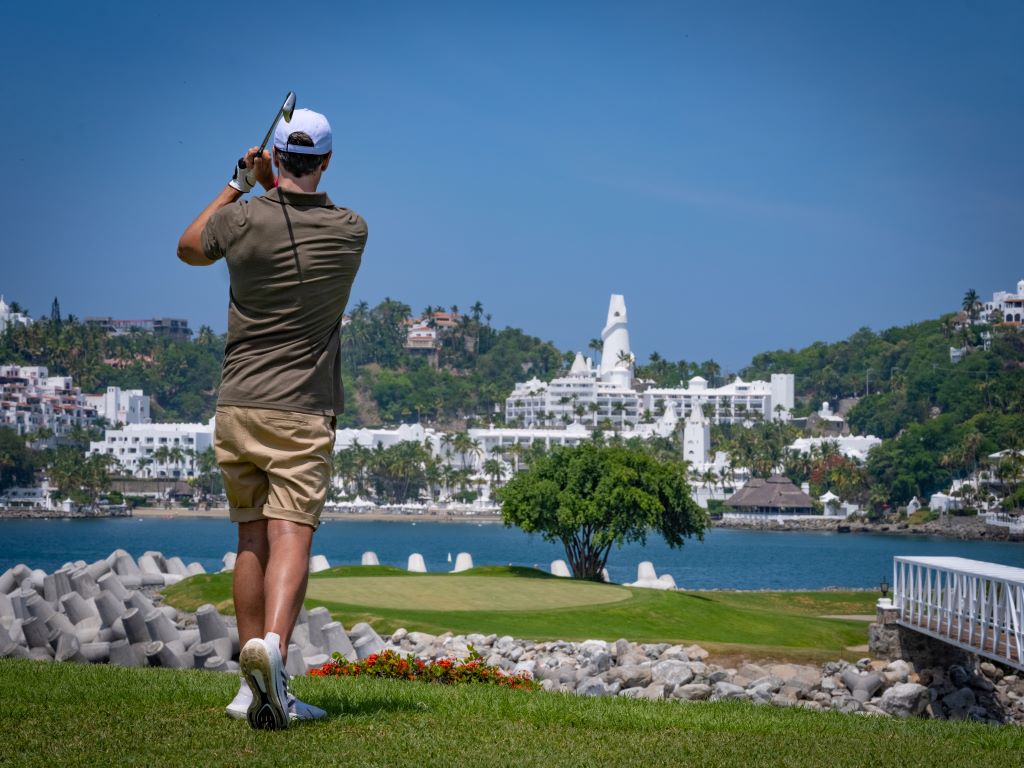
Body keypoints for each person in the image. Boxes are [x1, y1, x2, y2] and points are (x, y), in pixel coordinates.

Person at [177, 108, 366, 729]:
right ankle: (275, 665)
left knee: (250, 539)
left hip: (238, 404)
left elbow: (188, 248)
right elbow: (294, 214)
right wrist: (269, 186)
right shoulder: (350, 230)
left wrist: (240, 180)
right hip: (302, 410)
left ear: (274, 155)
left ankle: (245, 687)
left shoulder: (238, 218)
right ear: (329, 162)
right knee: (292, 535)